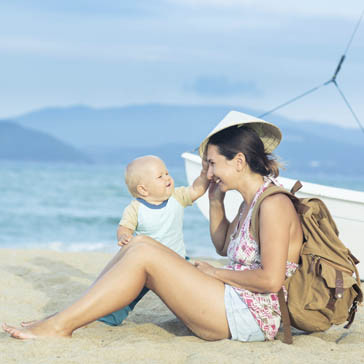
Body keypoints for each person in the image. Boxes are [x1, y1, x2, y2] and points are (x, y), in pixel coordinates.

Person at [2, 111, 303, 342]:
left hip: (251, 316)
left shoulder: (273, 205)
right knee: (140, 244)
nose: (208, 172)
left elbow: (270, 280)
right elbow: (224, 246)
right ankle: (64, 317)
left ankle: (60, 325)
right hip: (233, 300)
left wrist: (214, 272)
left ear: (238, 161)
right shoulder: (250, 201)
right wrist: (214, 202)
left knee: (145, 253)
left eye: (212, 164)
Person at [98, 154, 209, 326]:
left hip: (178, 260)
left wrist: (204, 174)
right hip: (147, 266)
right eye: (160, 176)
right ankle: (109, 318)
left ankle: (196, 317)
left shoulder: (177, 197)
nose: (167, 178)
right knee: (129, 293)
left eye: (167, 173)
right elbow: (124, 226)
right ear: (143, 189)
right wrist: (124, 236)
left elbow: (196, 190)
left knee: (188, 292)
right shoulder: (136, 208)